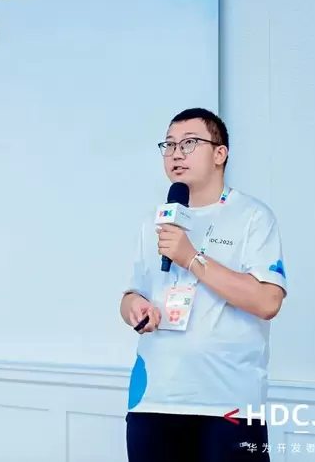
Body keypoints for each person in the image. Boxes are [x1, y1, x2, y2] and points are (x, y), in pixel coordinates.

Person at [121, 108, 287, 462]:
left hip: (228, 405)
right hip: (153, 402)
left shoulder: (253, 217)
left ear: (219, 153)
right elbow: (133, 292)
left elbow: (268, 301)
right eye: (169, 145)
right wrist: (134, 306)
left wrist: (191, 258)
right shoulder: (155, 220)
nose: (176, 153)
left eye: (189, 143)